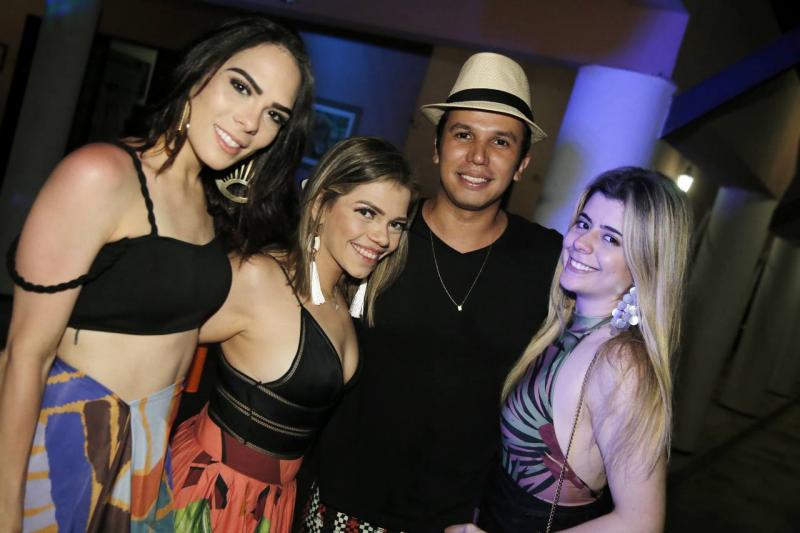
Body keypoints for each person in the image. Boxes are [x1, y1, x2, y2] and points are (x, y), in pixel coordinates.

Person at [0, 17, 313, 532]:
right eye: (241, 87)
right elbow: (24, 355)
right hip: (67, 436)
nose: (250, 123)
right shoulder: (102, 174)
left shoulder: (212, 202)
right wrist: (7, 511)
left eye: (274, 114)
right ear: (200, 73)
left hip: (148, 450)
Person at [302, 53, 563, 531]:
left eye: (500, 141)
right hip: (343, 504)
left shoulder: (549, 260)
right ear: (438, 147)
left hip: (460, 521)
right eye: (463, 134)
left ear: (522, 164)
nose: (478, 156)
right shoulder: (380, 236)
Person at [170, 136, 417, 533]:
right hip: (210, 494)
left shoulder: (344, 298)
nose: (383, 238)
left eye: (396, 225)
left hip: (274, 503)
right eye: (367, 212)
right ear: (319, 205)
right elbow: (155, 336)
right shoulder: (259, 278)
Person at [471, 167, 692, 532]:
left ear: (646, 262)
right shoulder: (564, 327)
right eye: (584, 223)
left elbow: (641, 522)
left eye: (611, 239)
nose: (581, 242)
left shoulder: (620, 364)